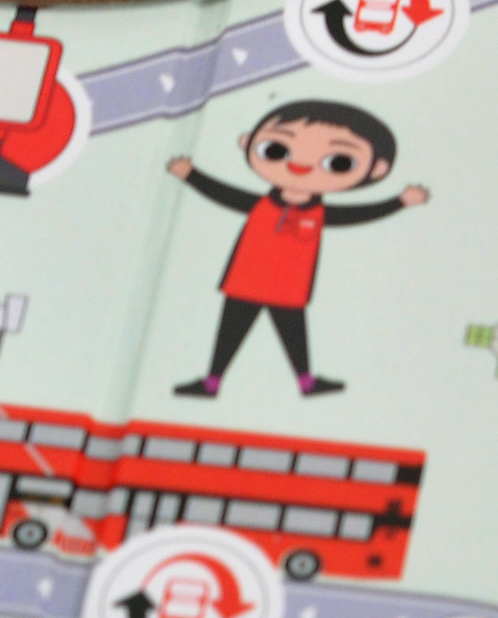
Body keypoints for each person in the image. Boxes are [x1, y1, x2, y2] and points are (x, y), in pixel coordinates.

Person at [167, 100, 426, 397]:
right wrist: (191, 175)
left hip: (289, 287)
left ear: (376, 169)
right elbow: (225, 194)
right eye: (275, 150)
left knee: (294, 337)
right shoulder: (260, 205)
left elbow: (358, 214)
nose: (299, 166)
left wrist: (399, 203)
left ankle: (306, 382)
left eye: (339, 162)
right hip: (244, 281)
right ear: (247, 143)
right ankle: (212, 382)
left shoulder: (319, 214)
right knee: (230, 333)